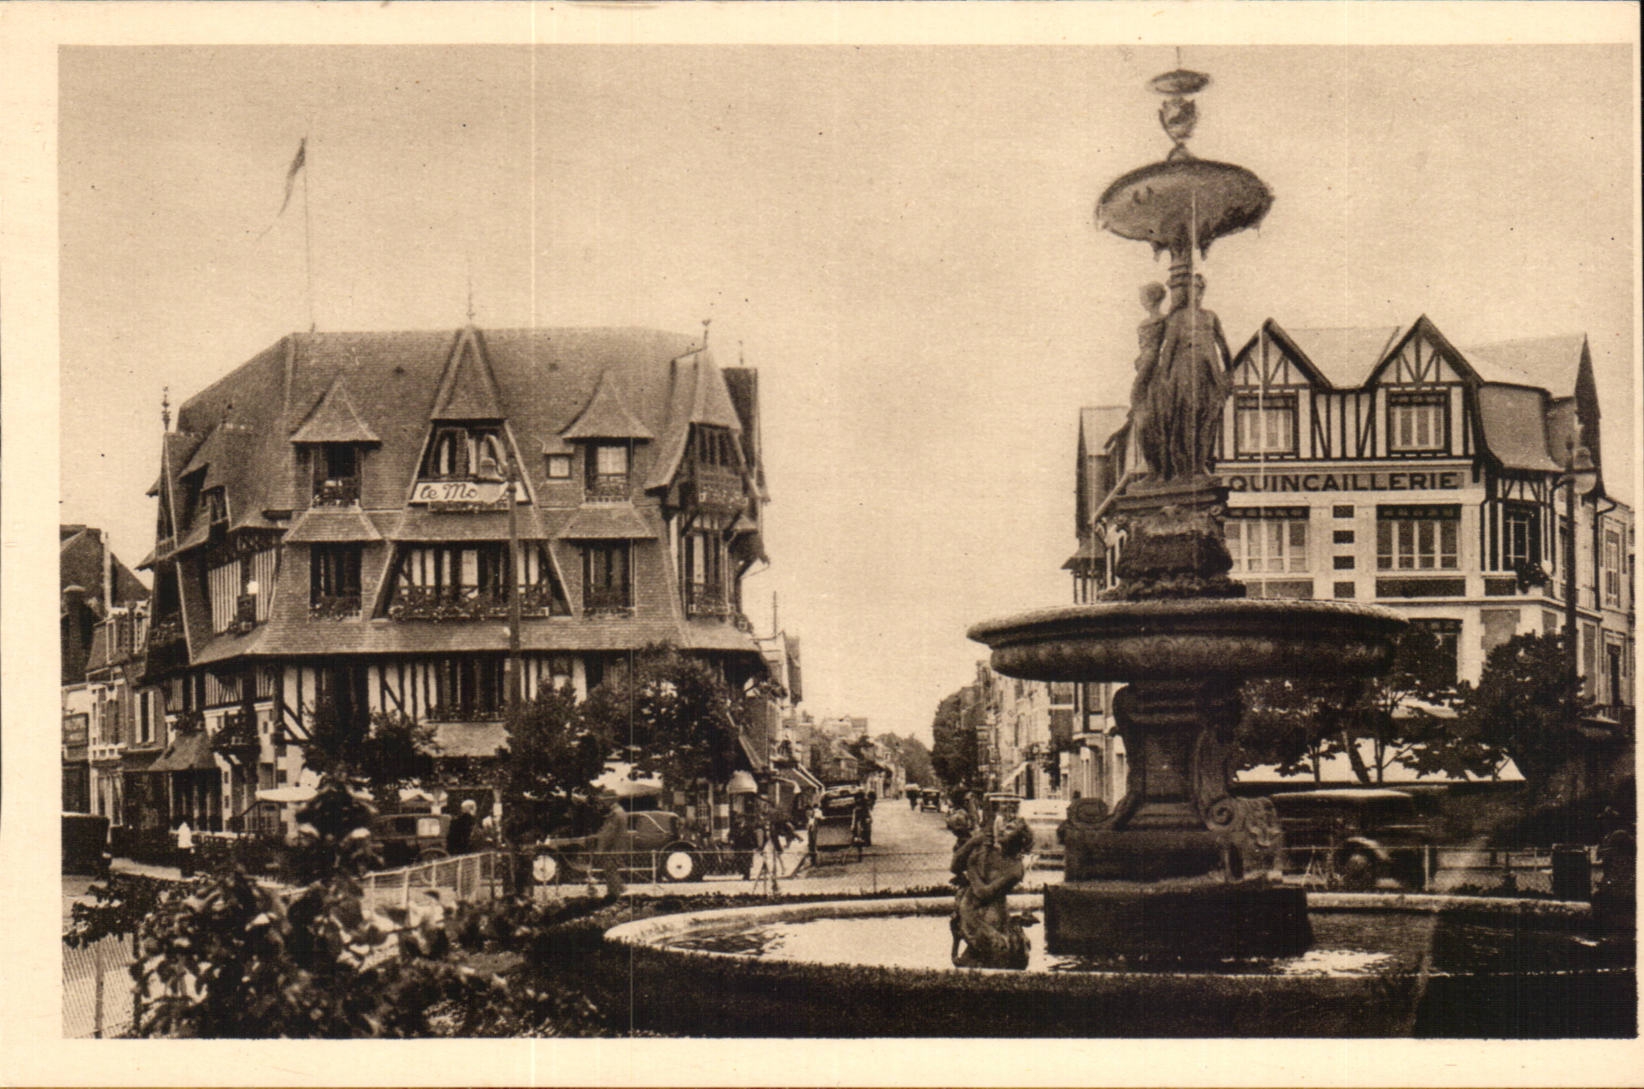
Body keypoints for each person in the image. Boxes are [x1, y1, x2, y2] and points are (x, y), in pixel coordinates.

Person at [950, 818, 1034, 969]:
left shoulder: (1016, 869)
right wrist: (973, 842)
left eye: (1009, 829)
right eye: (1004, 826)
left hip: (990, 916)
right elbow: (955, 866)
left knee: (988, 960)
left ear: (1020, 838)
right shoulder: (989, 851)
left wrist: (971, 867)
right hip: (970, 907)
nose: (1002, 830)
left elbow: (984, 893)